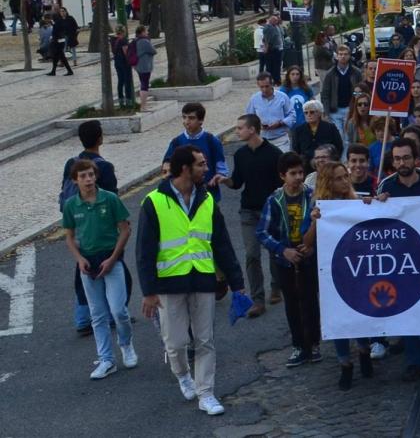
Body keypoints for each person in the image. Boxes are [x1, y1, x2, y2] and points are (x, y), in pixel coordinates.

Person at [137, 146, 246, 416]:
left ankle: (205, 393)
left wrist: (236, 281)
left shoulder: (207, 199)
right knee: (174, 344)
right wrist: (148, 291)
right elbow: (144, 250)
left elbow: (222, 243)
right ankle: (183, 375)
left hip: (202, 280)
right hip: (169, 283)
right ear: (185, 168)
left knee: (204, 340)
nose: (206, 168)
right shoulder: (154, 202)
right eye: (200, 164)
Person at [305, 161, 385, 389]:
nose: (344, 182)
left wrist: (372, 206)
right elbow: (307, 242)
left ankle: (363, 350)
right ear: (327, 183)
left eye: (345, 177)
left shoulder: (356, 202)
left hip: (357, 268)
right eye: (338, 178)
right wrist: (314, 222)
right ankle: (345, 364)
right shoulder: (318, 207)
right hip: (332, 271)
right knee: (337, 318)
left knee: (358, 312)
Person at [62, 158, 137, 379]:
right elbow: (69, 237)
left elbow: (124, 229)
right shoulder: (71, 206)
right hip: (88, 264)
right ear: (75, 180)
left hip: (111, 261)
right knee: (97, 315)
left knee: (119, 310)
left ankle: (126, 344)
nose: (88, 179)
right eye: (83, 176)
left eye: (91, 175)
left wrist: (114, 258)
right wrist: (79, 259)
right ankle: (106, 359)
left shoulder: (110, 199)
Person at [257, 152, 320, 367]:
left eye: (301, 172)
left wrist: (311, 246)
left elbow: (321, 225)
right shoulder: (274, 200)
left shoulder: (311, 196)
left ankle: (314, 343)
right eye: (293, 173)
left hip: (308, 256)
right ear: (283, 176)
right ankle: (298, 344)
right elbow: (262, 233)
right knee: (292, 303)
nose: (299, 177)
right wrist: (283, 250)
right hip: (285, 258)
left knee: (311, 301)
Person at [223, 114, 283, 316]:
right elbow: (237, 183)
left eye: (240, 128)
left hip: (269, 211)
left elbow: (281, 186)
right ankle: (258, 299)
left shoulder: (275, 154)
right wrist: (225, 181)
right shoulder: (240, 155)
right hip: (248, 211)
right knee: (251, 254)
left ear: (253, 129)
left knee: (274, 252)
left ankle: (276, 286)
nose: (237, 131)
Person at [163, 102, 228, 194]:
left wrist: (219, 176)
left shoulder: (211, 140)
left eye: (191, 118)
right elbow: (168, 163)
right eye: (184, 117)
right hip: (183, 193)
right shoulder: (176, 142)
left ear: (201, 120)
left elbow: (221, 164)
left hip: (208, 192)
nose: (186, 121)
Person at [246, 73, 296, 151]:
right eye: (261, 87)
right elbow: (249, 118)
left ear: (272, 83)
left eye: (267, 86)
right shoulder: (254, 99)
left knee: (282, 162)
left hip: (281, 139)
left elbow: (292, 115)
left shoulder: (282, 97)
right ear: (258, 85)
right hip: (262, 140)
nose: (264, 90)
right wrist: (258, 125)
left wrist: (280, 123)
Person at [290, 100, 345, 166]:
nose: (309, 115)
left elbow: (339, 147)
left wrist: (333, 162)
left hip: (327, 164)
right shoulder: (298, 130)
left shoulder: (330, 127)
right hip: (306, 165)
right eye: (306, 113)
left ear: (319, 113)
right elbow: (296, 150)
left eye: (312, 112)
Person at [47, 5, 78, 76]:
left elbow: (70, 28)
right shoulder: (59, 20)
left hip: (60, 40)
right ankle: (54, 71)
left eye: (63, 11)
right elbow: (55, 30)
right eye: (61, 12)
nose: (62, 13)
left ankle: (57, 71)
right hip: (57, 40)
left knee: (60, 56)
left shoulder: (68, 19)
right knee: (58, 56)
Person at [111, 26, 136, 108]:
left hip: (117, 62)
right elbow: (126, 52)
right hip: (124, 63)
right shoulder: (123, 40)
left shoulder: (113, 40)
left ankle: (121, 100)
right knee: (127, 81)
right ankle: (129, 101)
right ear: (123, 31)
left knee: (120, 81)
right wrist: (131, 62)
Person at [262, 16, 285, 84]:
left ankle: (276, 80)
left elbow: (281, 35)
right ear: (271, 20)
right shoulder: (268, 28)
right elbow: (267, 39)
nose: (277, 22)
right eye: (275, 20)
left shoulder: (276, 26)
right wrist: (267, 47)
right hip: (273, 49)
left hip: (278, 48)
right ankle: (275, 80)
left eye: (277, 20)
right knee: (272, 66)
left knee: (277, 65)